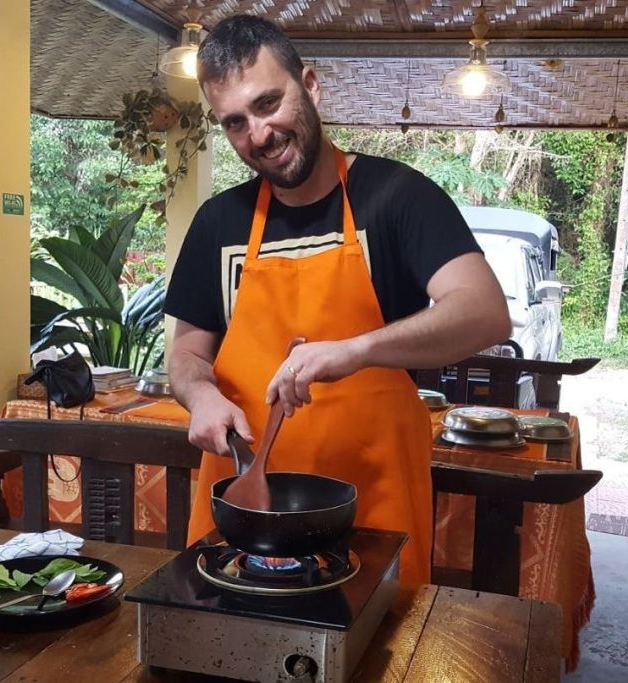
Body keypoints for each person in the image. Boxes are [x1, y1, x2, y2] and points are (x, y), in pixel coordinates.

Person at [164, 15, 510, 585]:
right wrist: (199, 396)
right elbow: (187, 356)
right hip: (246, 515)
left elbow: (484, 311)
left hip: (376, 506)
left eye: (269, 103)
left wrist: (357, 350)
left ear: (311, 85)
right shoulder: (218, 223)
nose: (259, 134)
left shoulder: (397, 197)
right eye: (235, 122)